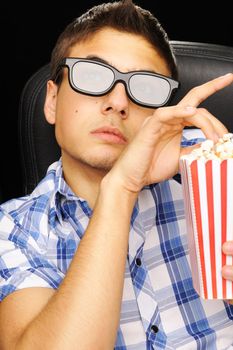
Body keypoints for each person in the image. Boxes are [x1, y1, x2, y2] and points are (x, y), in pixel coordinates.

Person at [0, 0, 233, 348]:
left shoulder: (216, 166)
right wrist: (122, 186)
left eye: (146, 87)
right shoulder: (13, 231)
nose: (118, 102)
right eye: (92, 76)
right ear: (51, 101)